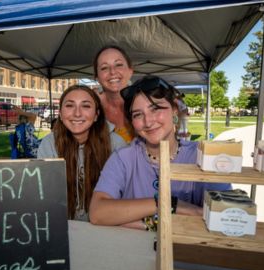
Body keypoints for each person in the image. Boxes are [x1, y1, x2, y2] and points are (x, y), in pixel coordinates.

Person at [89, 76, 231, 230]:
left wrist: (131, 220)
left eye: (155, 108)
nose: (148, 122)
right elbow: (98, 213)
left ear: (174, 109)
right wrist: (167, 203)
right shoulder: (122, 158)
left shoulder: (201, 156)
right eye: (137, 114)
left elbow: (224, 218)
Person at [37, 85, 126, 221]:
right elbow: (44, 196)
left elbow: (124, 196)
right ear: (60, 114)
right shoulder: (48, 145)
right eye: (69, 106)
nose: (77, 113)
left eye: (85, 106)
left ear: (96, 115)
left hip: (106, 226)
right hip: (63, 226)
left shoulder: (116, 145)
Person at [94, 45, 135, 143]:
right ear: (97, 78)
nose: (112, 72)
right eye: (104, 68)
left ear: (130, 71)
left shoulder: (145, 104)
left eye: (118, 65)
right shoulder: (91, 108)